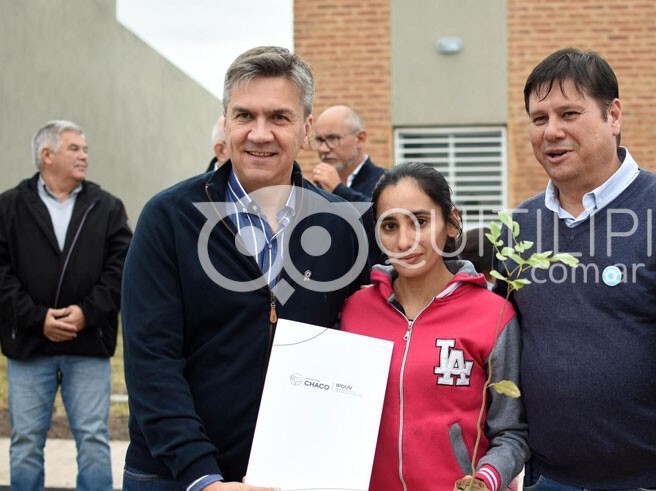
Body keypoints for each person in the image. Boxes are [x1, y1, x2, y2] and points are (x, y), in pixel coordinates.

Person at [121, 46, 369, 491]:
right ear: (226, 121)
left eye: (278, 117)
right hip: (176, 476)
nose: (260, 133)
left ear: (306, 129)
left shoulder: (343, 226)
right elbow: (150, 360)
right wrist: (203, 477)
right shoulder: (169, 218)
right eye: (244, 116)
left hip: (296, 475)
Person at [496, 48, 656, 489]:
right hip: (548, 479)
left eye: (569, 113)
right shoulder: (517, 228)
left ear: (614, 115)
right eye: (539, 118)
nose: (552, 131)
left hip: (654, 481)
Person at [340, 162, 528, 490]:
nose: (404, 241)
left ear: (452, 222)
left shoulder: (495, 315)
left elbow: (511, 433)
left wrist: (485, 480)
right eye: (389, 226)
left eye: (420, 221)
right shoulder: (354, 310)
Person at [0, 120, 132, 491]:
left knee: (93, 439)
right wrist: (37, 318)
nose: (84, 156)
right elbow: (1, 272)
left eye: (85, 149)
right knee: (26, 441)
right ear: (47, 155)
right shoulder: (9, 206)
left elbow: (122, 268)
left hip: (88, 345)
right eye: (74, 148)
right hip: (29, 346)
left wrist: (87, 313)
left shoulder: (106, 207)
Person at [309, 105, 385, 202]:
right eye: (319, 140)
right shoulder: (317, 191)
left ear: (360, 139)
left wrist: (339, 190)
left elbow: (380, 216)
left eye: (333, 138)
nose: (323, 149)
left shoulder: (387, 183)